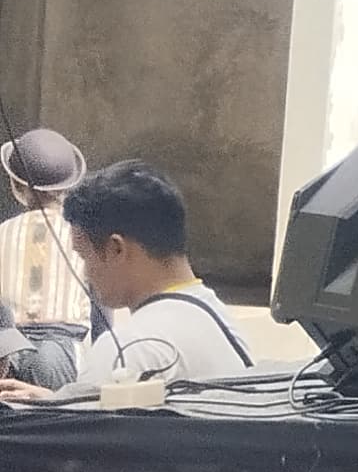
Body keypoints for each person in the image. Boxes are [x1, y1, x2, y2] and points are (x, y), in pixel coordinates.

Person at [0, 161, 250, 398]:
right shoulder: (217, 317)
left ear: (116, 249)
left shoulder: (128, 351)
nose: (85, 273)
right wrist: (58, 400)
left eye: (85, 257)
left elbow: (83, 425)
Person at [3, 129, 88, 384]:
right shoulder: (84, 236)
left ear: (17, 186)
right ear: (68, 187)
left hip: (6, 348)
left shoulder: (2, 232)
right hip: (62, 350)